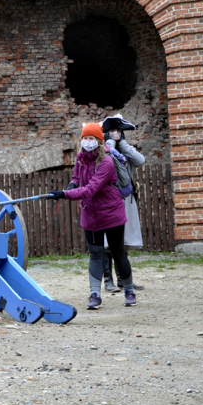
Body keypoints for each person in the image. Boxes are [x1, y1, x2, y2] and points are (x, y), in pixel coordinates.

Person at [48, 122, 137, 309]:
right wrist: (71, 186)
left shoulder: (107, 162)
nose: (87, 142)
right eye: (85, 138)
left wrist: (64, 194)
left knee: (118, 252)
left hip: (111, 213)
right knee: (95, 254)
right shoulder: (80, 158)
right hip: (91, 214)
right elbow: (76, 178)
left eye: (91, 138)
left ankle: (129, 290)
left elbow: (91, 189)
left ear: (98, 140)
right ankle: (95, 295)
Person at [101, 114, 145, 292]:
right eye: (112, 130)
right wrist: (110, 145)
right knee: (106, 242)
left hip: (125, 199)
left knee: (123, 239)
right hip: (108, 200)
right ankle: (108, 281)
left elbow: (140, 161)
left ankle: (123, 279)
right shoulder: (102, 150)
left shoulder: (125, 148)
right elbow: (107, 160)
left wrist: (124, 147)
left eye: (119, 131)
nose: (116, 134)